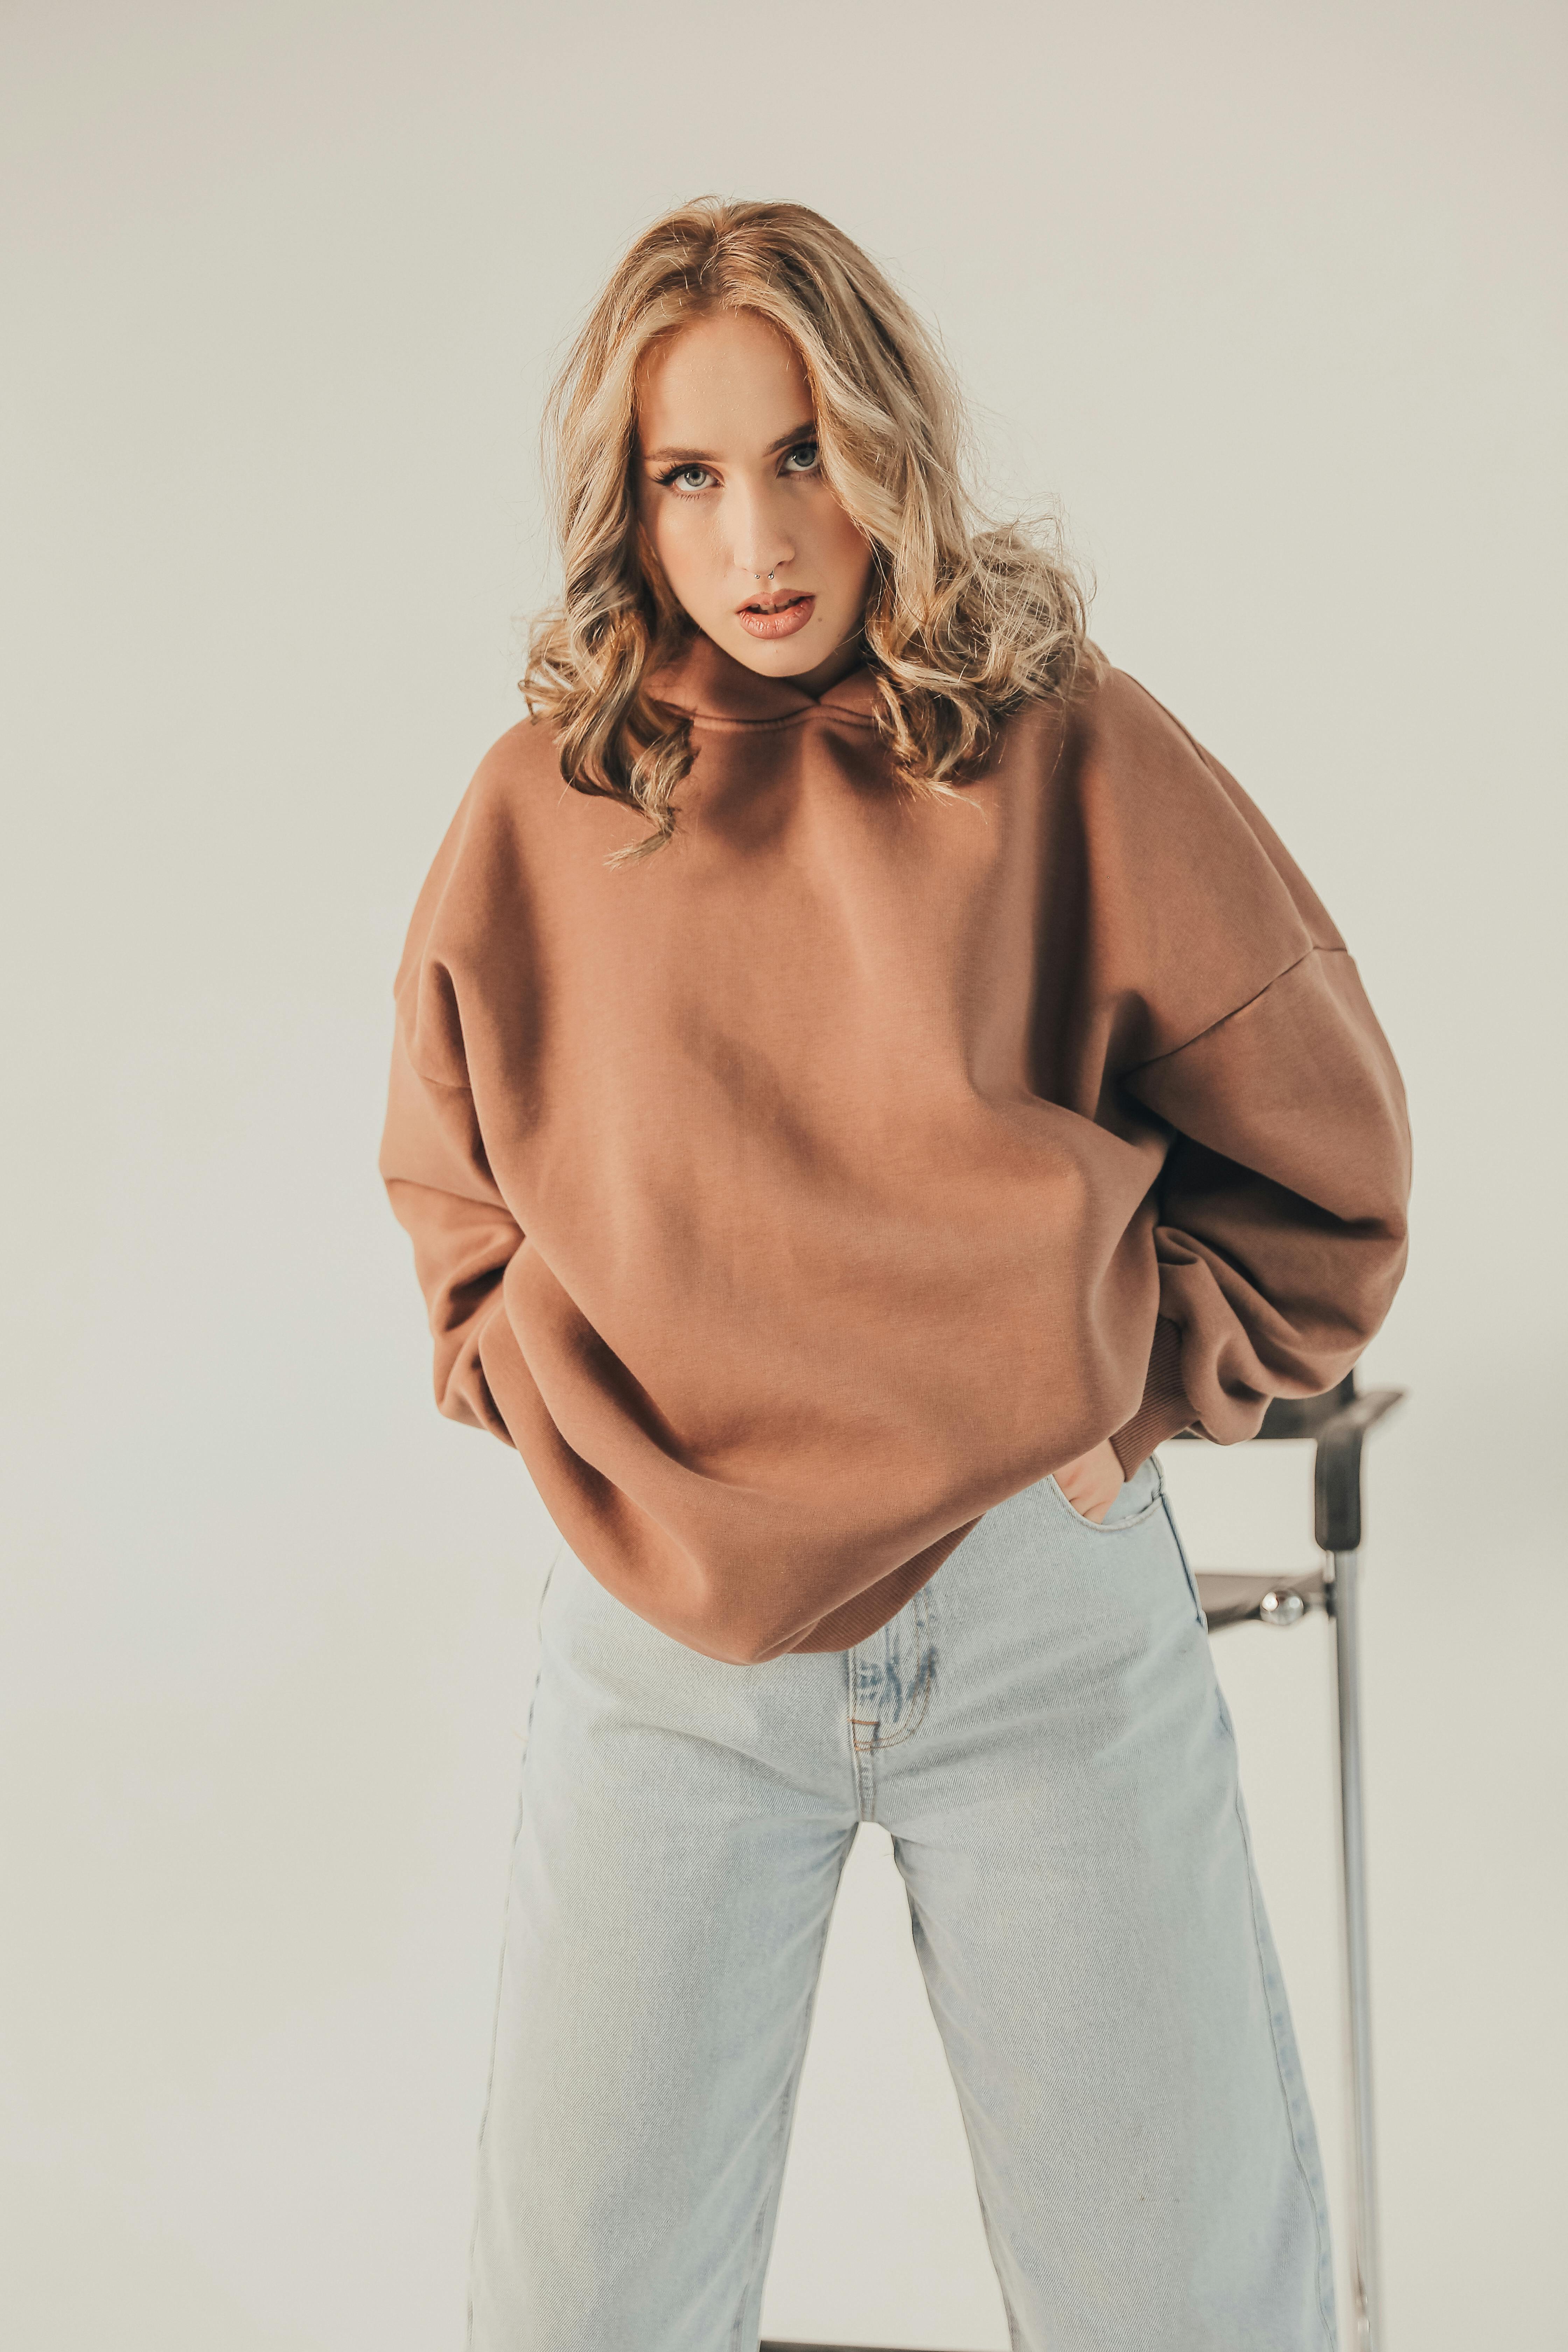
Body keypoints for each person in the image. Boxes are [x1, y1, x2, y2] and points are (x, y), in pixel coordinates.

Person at [379, 198, 1409, 2352]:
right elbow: (453, 1196)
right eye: (691, 473)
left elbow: (1329, 1161)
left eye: (804, 452)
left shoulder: (1061, 745)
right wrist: (577, 1430)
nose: (758, 533)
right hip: (665, 1657)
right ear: (629, 501)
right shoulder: (548, 805)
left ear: (886, 445)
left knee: (1184, 2308)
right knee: (580, 2315)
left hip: (1036, 1618)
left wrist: (1131, 1410)